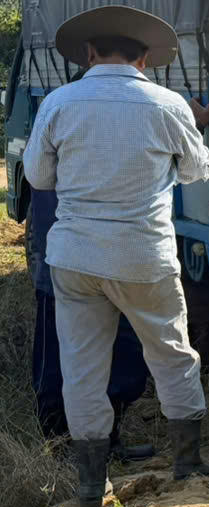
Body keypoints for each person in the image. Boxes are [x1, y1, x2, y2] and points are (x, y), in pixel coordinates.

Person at [22, 4, 209, 507]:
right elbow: (198, 170)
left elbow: (40, 178)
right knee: (172, 353)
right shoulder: (167, 104)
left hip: (75, 256)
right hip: (142, 254)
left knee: (82, 367)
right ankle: (188, 462)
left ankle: (92, 489)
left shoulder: (60, 103)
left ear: (89, 52)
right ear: (147, 58)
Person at [28, 187, 155, 461]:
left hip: (112, 264)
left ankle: (105, 441)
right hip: (62, 268)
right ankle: (60, 448)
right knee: (57, 361)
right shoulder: (50, 143)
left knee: (125, 355)